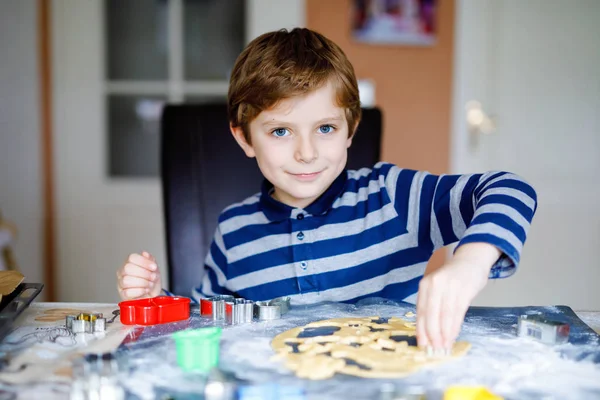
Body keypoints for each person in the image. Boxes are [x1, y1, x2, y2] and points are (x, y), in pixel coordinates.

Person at [116, 28, 537, 352]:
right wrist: (154, 300)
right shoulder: (234, 230)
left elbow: (509, 189)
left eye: (325, 128)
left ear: (351, 129)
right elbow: (204, 323)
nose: (306, 152)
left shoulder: (393, 197)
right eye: (280, 131)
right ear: (245, 138)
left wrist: (470, 262)